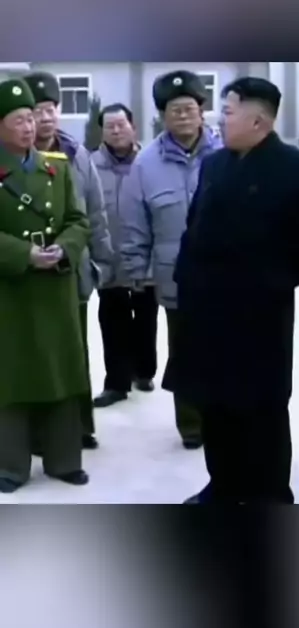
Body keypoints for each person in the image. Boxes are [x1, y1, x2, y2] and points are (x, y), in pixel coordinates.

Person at [163, 77, 299, 504]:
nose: (219, 118)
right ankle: (223, 484)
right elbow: (195, 226)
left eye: (228, 111)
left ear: (258, 121)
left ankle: (270, 494)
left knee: (262, 411)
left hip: (258, 316)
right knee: (215, 407)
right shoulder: (215, 164)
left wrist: (263, 285)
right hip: (206, 310)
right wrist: (187, 279)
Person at [120, 71, 222, 448]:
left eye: (189, 108)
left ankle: (223, 418)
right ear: (162, 116)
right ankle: (191, 424)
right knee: (184, 349)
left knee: (225, 348)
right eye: (174, 110)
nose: (182, 116)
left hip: (224, 273)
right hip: (174, 274)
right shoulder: (145, 163)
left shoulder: (227, 152)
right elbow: (134, 221)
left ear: (202, 111)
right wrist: (136, 270)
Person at [0, 77, 90, 492]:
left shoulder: (57, 167)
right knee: (11, 374)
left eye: (30, 118)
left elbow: (78, 220)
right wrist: (25, 254)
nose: (28, 127)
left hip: (55, 285)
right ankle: (11, 464)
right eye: (18, 120)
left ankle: (63, 459)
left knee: (62, 371)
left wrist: (64, 249)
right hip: (10, 289)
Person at [25, 71, 113, 448]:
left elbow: (95, 213)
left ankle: (78, 427)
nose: (45, 118)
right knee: (30, 352)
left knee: (74, 352)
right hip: (24, 273)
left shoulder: (77, 155)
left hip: (71, 270)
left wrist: (102, 264)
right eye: (37, 110)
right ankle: (33, 433)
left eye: (51, 109)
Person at [92, 104, 159, 408]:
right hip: (108, 259)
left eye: (121, 124)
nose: (116, 131)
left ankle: (144, 371)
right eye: (110, 126)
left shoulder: (149, 163)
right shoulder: (90, 164)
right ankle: (116, 383)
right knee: (112, 321)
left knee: (146, 317)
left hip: (143, 257)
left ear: (133, 127)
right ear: (102, 132)